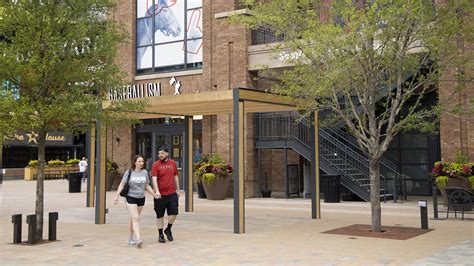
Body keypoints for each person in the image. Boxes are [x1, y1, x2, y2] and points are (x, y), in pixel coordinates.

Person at [114, 155, 157, 248]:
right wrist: (116, 196)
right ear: (135, 162)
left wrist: (154, 194)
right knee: (136, 218)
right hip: (130, 197)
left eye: (142, 161)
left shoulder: (145, 172)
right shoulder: (129, 172)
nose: (141, 163)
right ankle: (138, 239)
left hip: (141, 198)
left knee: (133, 219)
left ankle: (130, 238)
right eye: (139, 161)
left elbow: (147, 185)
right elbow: (122, 184)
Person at [151, 146, 181, 243]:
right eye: (159, 153)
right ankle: (160, 235)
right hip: (160, 195)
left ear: (167, 154)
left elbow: (175, 176)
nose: (160, 155)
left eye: (162, 153)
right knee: (160, 215)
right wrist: (157, 191)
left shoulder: (173, 163)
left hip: (172, 193)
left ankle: (168, 229)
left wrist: (178, 189)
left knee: (174, 213)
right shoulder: (156, 165)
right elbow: (154, 178)